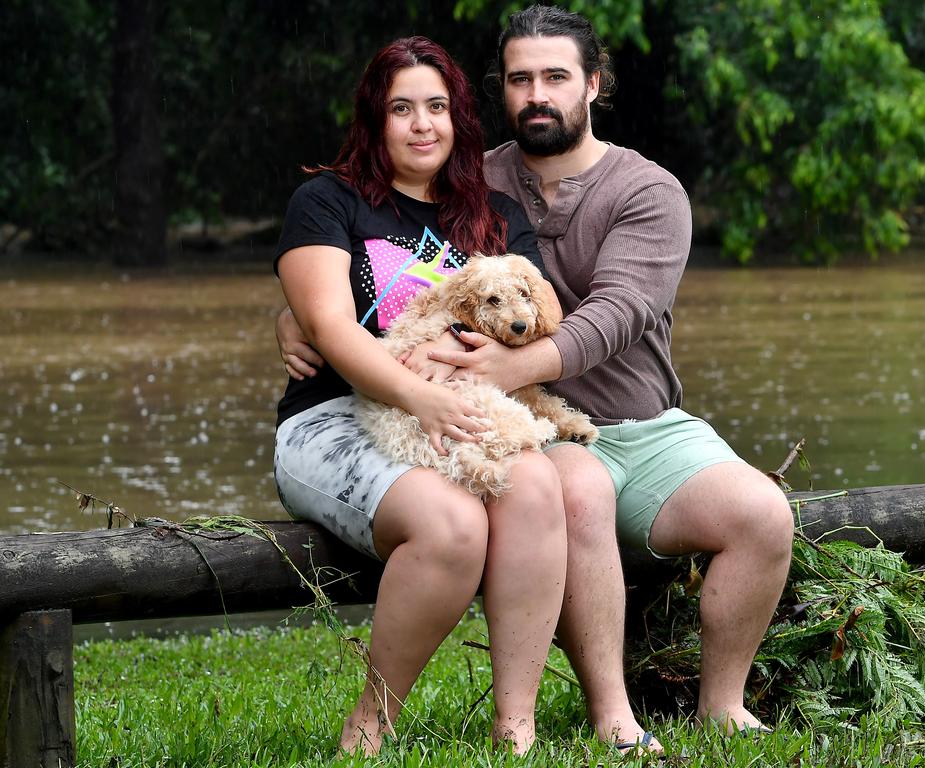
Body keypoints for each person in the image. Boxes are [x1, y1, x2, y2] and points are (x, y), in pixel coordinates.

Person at [280, 6, 794, 755]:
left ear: (594, 83)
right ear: (497, 92)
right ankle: (609, 716)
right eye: (520, 79)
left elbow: (615, 313)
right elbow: (341, 286)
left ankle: (721, 705)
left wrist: (498, 366)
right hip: (506, 421)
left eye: (556, 76)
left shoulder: (627, 193)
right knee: (568, 484)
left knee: (764, 515)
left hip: (618, 418)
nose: (537, 94)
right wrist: (295, 318)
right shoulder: (468, 178)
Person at [272, 36, 567, 756]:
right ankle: (371, 723)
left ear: (459, 118)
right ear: (376, 120)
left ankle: (515, 725)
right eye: (402, 108)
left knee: (535, 486)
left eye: (437, 106)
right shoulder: (326, 202)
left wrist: (448, 374)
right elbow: (331, 330)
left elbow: (531, 325)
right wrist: (417, 391)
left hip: (470, 405)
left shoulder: (495, 215)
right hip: (335, 418)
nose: (422, 124)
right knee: (453, 526)